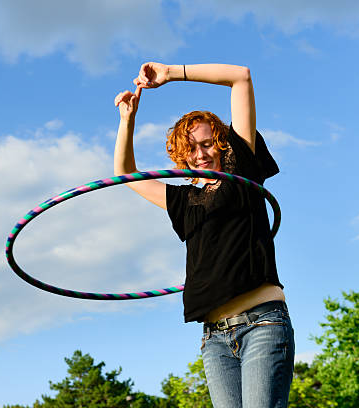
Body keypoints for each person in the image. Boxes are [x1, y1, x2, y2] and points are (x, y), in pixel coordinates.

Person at [114, 63, 294, 408]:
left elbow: (240, 76)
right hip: (214, 339)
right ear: (182, 157)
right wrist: (128, 119)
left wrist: (170, 73)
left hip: (262, 324)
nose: (201, 154)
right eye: (192, 149)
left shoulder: (243, 167)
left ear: (223, 144)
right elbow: (124, 174)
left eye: (209, 144)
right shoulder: (183, 201)